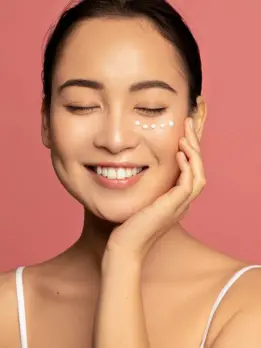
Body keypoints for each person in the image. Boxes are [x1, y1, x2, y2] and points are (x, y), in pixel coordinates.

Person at [1, 0, 261, 347]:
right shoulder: (7, 307)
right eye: (81, 105)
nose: (115, 139)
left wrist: (124, 259)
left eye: (150, 108)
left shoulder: (247, 307)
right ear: (46, 120)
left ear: (195, 121)